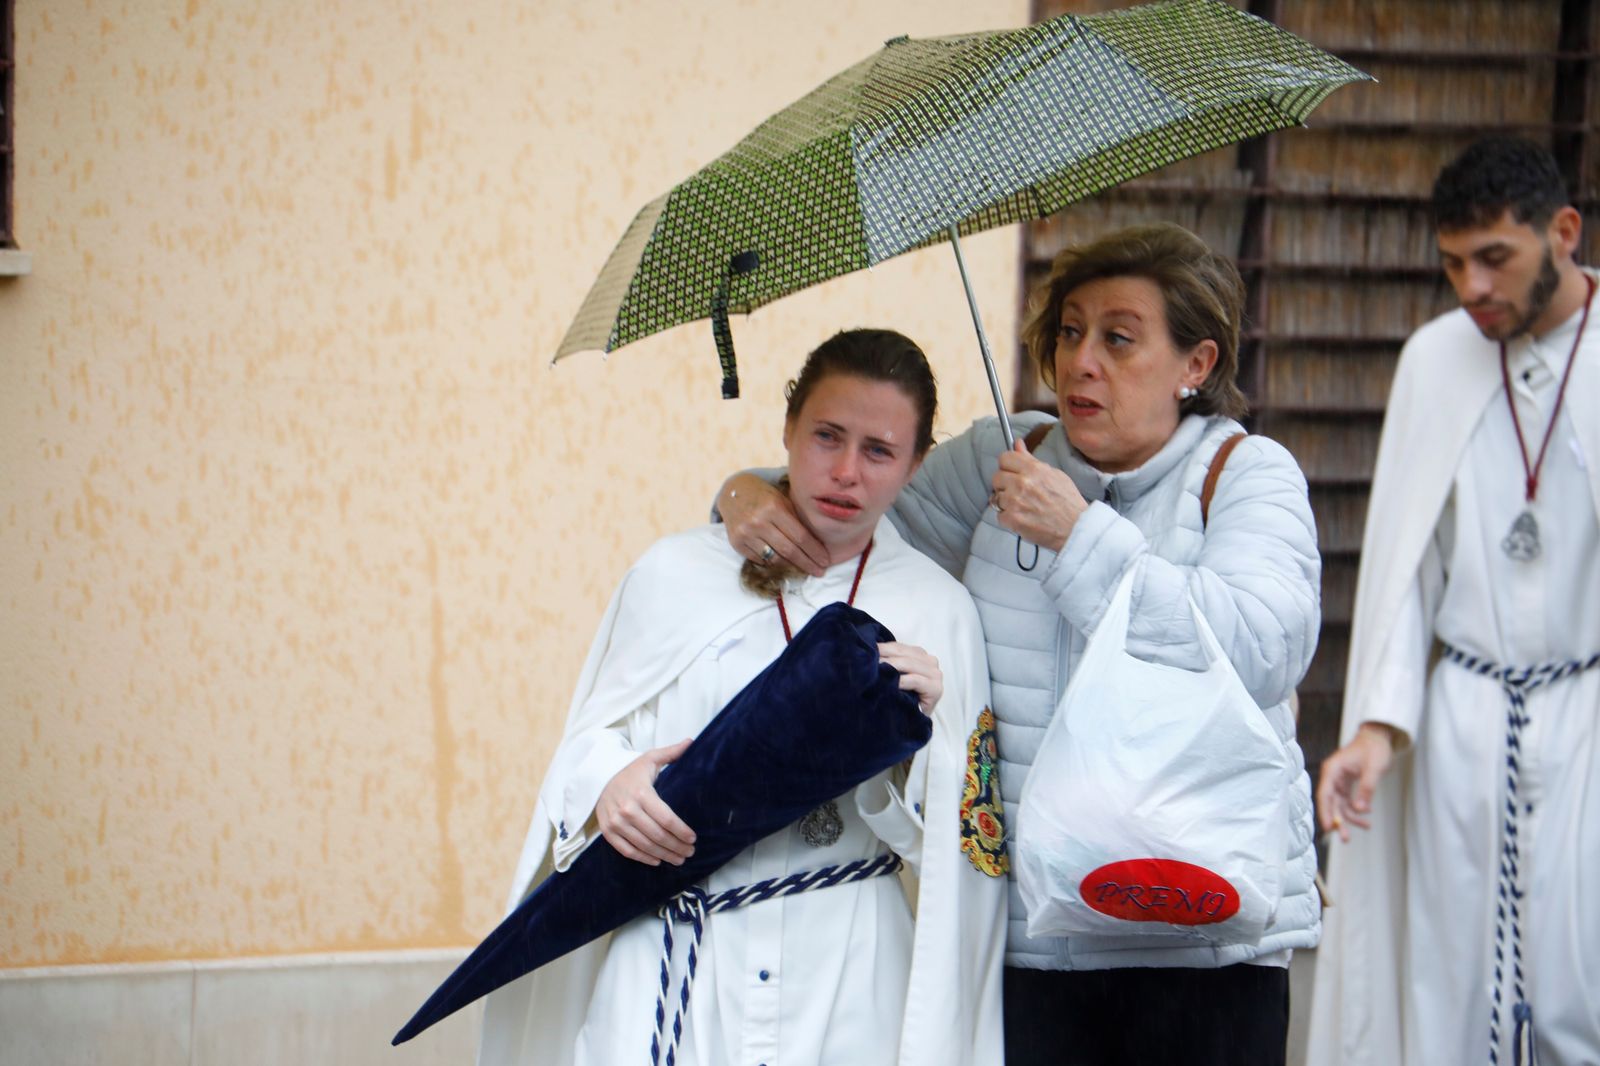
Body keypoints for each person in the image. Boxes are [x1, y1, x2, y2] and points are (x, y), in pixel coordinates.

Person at [720, 223, 1322, 1065]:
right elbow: (849, 521)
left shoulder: (1248, 473)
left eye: (1118, 338)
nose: (1081, 362)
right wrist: (746, 492)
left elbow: (1263, 649)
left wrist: (1081, 539)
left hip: (1202, 932)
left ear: (1197, 363)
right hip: (1032, 935)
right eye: (1070, 332)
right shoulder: (1006, 457)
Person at [476, 328, 1007, 1066]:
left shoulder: (938, 609)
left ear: (916, 465)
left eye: (879, 451)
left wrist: (921, 746)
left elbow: (969, 843)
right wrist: (609, 781)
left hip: (850, 973)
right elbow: (588, 740)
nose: (846, 472)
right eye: (827, 436)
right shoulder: (673, 574)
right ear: (788, 428)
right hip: (676, 955)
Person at [1310, 138, 1600, 1066]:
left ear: (1564, 232)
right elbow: (1410, 571)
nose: (1472, 286)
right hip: (1462, 720)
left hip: (1589, 716)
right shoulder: (1435, 362)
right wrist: (1376, 731)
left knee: (1579, 986)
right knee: (1446, 984)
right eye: (1452, 263)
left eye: (1494, 258)